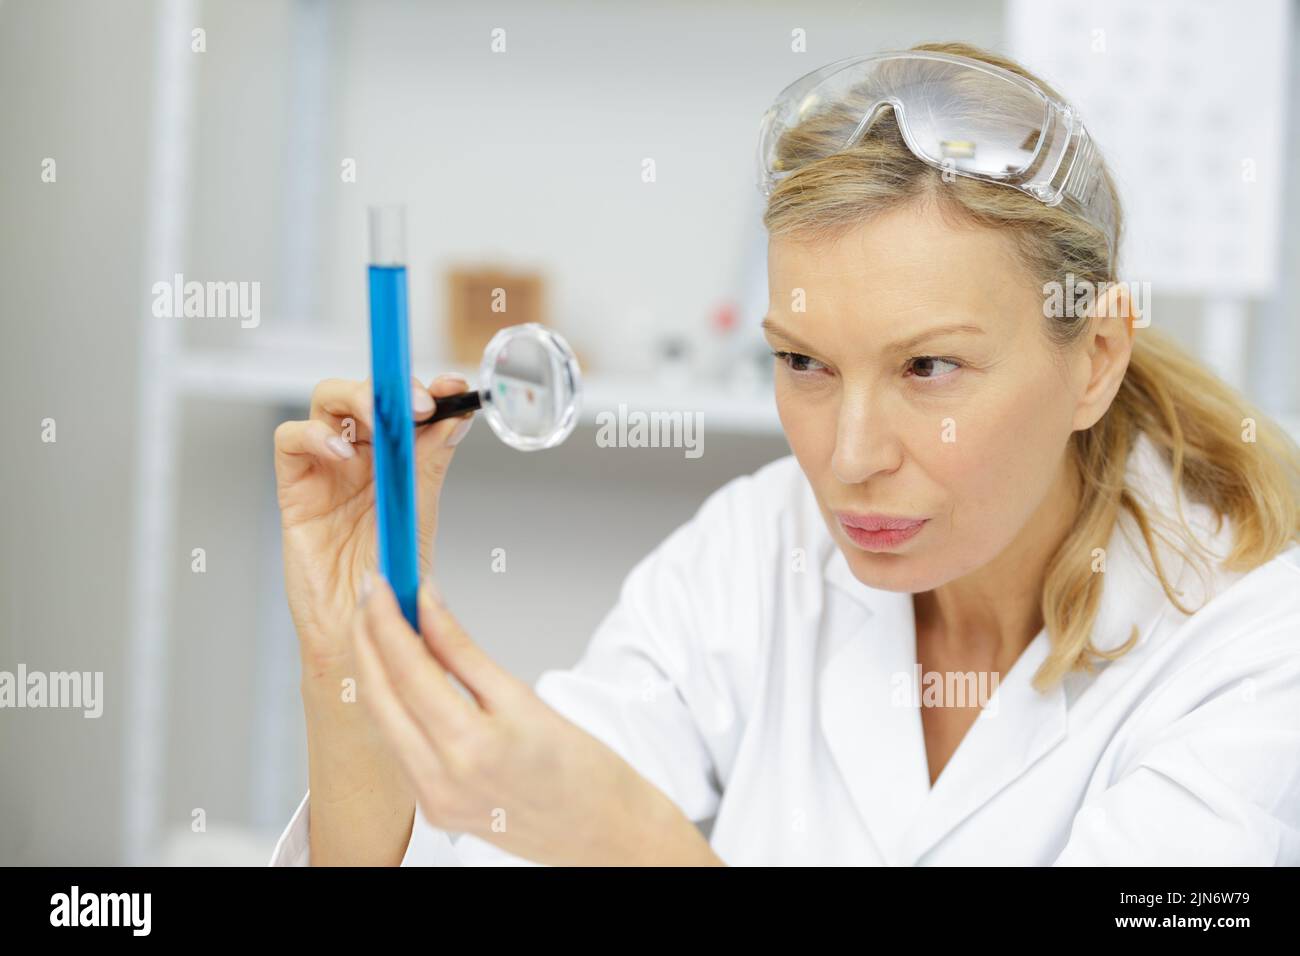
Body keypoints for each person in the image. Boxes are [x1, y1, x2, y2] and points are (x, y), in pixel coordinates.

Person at [269, 41, 1300, 866]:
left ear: (1095, 357)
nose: (847, 457)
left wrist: (633, 847)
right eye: (803, 361)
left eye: (929, 366)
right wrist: (345, 648)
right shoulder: (756, 551)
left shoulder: (1257, 650)